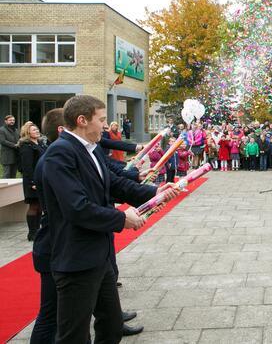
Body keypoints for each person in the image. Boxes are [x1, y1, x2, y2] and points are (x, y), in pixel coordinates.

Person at [41, 96, 175, 343]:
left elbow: (114, 184)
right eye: (101, 119)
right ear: (82, 120)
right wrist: (121, 218)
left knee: (112, 327)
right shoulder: (59, 154)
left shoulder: (89, 149)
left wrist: (155, 193)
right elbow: (77, 208)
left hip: (98, 256)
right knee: (74, 335)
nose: (106, 125)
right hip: (77, 260)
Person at [18, 121, 47, 241]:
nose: (37, 131)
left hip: (40, 179)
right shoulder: (26, 146)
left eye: (37, 129)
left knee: (40, 206)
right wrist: (32, 182)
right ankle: (32, 233)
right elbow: (27, 167)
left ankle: (37, 230)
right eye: (34, 130)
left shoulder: (39, 143)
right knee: (34, 205)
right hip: (32, 180)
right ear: (27, 132)